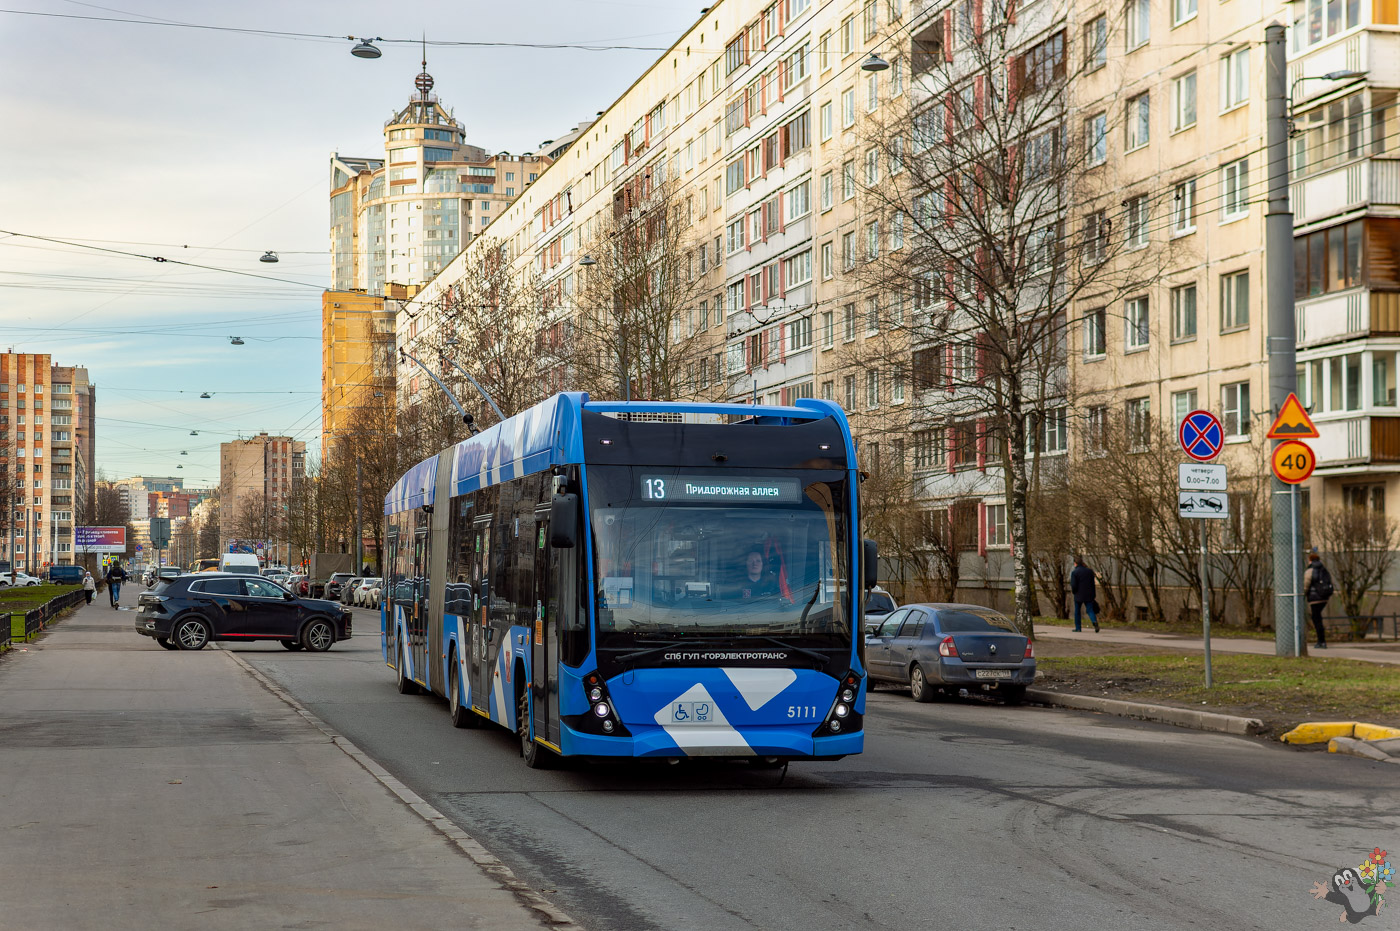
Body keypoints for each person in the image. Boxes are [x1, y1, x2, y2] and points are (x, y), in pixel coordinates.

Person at [1303, 546, 1333, 649]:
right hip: (1324, 597)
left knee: (1317, 619)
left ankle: (1321, 641)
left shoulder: (1310, 571)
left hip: (1315, 598)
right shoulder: (1323, 569)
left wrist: (1303, 594)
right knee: (1318, 618)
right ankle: (1321, 640)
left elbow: (1305, 585)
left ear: (1310, 560)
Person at [1069, 554, 1100, 633]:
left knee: (1077, 611)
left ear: (1075, 563)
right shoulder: (1089, 571)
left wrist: (1074, 592)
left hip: (1078, 594)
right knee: (1090, 610)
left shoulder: (1075, 572)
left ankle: (1078, 628)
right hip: (1089, 594)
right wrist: (1093, 594)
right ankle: (1094, 622)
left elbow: (1073, 585)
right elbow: (1092, 583)